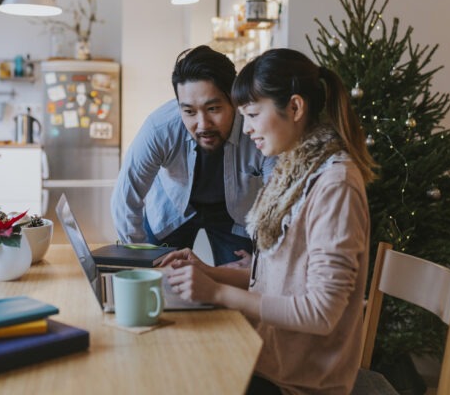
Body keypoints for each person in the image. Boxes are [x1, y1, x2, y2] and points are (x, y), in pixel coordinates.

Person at [161, 48, 377, 394]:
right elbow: (284, 279)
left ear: (294, 108)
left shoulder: (334, 185)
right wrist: (209, 272)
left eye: (253, 114)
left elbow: (321, 314)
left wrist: (217, 292)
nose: (245, 130)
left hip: (299, 380)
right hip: (270, 357)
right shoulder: (297, 173)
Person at [111, 45, 274, 265]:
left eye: (213, 109)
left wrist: (265, 260)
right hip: (172, 207)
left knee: (245, 280)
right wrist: (139, 261)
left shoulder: (257, 127)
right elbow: (126, 196)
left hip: (235, 213)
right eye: (189, 111)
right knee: (158, 280)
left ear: (234, 100)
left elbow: (281, 201)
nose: (202, 124)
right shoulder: (160, 127)